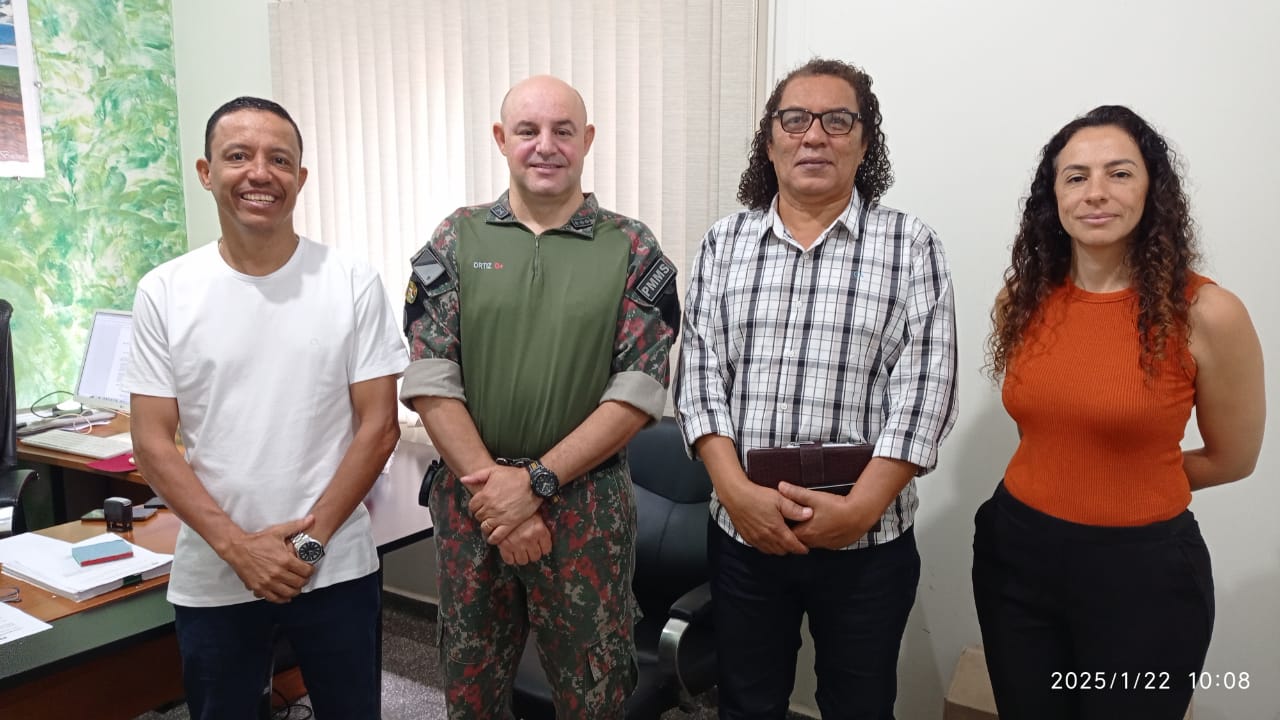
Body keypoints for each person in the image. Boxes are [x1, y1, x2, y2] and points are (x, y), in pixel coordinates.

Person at [674, 58, 959, 719]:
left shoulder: (910, 245)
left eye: (838, 120)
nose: (814, 136)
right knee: (747, 703)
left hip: (868, 541)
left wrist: (858, 511)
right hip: (744, 532)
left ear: (865, 142)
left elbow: (926, 392)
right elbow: (699, 377)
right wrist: (737, 495)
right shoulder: (725, 243)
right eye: (795, 119)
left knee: (859, 705)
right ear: (769, 140)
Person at [400, 75, 680, 719]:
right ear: (502, 139)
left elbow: (637, 391)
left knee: (593, 691)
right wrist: (497, 491)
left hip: (584, 510)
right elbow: (430, 375)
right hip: (475, 505)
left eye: (562, 131)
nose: (545, 146)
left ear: (587, 140)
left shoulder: (632, 248)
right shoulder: (457, 237)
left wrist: (535, 485)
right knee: (470, 688)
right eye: (527, 131)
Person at [973, 105, 1265, 719]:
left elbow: (1233, 458)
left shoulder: (1208, 313)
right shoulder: (1022, 299)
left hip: (1143, 578)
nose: (1096, 192)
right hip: (1015, 558)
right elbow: (1052, 428)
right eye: (1075, 176)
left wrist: (1133, 479)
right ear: (1052, 197)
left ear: (1152, 188)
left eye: (1119, 173)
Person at [127, 96, 408, 719]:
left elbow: (380, 426)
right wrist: (240, 549)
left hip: (335, 566)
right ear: (207, 172)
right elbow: (151, 440)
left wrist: (305, 549)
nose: (260, 173)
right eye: (238, 156)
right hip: (215, 564)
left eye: (279, 159)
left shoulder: (350, 281)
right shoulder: (166, 290)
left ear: (300, 179)